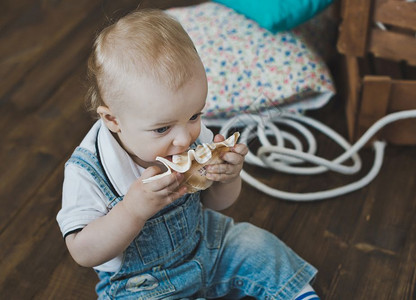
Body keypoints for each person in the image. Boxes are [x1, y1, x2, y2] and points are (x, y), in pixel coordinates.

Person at [56, 9, 318, 300]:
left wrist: (227, 178)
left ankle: (300, 294)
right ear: (113, 120)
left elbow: (217, 204)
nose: (184, 139)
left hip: (205, 244)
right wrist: (132, 211)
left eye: (195, 115)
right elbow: (82, 252)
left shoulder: (189, 135)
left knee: (256, 246)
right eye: (162, 129)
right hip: (141, 283)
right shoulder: (88, 171)